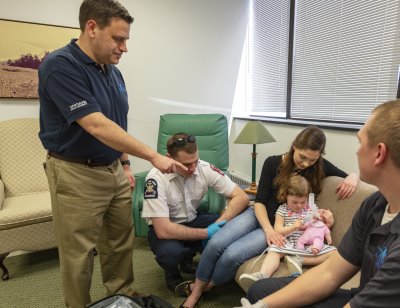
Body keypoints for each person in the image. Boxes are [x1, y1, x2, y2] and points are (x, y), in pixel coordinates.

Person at [38, 1, 186, 307]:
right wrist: (152, 156)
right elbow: (95, 124)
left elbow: (117, 123)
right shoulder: (60, 65)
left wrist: (126, 164)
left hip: (114, 169)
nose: (124, 48)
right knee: (78, 253)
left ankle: (121, 297)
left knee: (120, 242)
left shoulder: (113, 73)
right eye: (119, 39)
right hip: (75, 172)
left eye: (126, 40)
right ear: (92, 28)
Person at [239, 99, 400, 308]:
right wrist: (264, 305)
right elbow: (331, 273)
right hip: (358, 295)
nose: (356, 151)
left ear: (379, 153)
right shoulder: (374, 206)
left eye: (360, 142)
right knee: (259, 291)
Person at [180, 125, 359, 308]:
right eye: (303, 157)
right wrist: (268, 231)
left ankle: (207, 286)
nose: (305, 164)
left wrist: (353, 176)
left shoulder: (318, 166)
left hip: (281, 228)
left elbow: (346, 175)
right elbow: (259, 202)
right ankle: (195, 294)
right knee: (217, 241)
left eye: (312, 160)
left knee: (232, 255)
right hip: (258, 215)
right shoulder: (272, 163)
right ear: (294, 146)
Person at [141, 133, 249, 294]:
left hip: (192, 219)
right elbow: (163, 230)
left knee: (232, 225)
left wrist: (218, 224)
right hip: (166, 229)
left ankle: (187, 259)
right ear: (169, 158)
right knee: (171, 253)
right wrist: (206, 233)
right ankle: (172, 275)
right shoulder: (155, 179)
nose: (192, 168)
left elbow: (241, 197)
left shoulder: (204, 168)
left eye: (195, 161)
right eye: (186, 164)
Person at [239, 175, 334, 286]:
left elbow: (321, 228)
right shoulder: (282, 210)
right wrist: (293, 227)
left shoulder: (311, 208)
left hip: (306, 245)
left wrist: (329, 222)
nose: (299, 206)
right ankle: (262, 275)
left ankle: (300, 260)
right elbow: (277, 230)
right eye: (294, 202)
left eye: (303, 202)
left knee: (334, 252)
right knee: (274, 251)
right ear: (286, 196)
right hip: (287, 242)